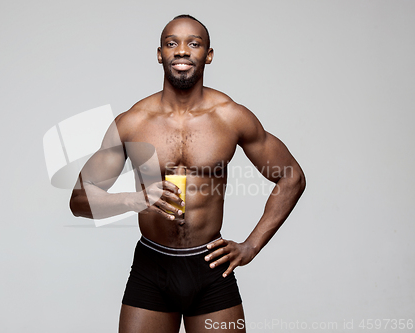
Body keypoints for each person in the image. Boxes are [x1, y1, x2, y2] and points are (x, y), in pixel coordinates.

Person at [70, 14, 306, 333]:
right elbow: (79, 200)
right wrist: (133, 199)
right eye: (172, 43)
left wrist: (251, 245)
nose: (182, 50)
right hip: (152, 267)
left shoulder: (231, 117)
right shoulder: (133, 122)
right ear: (160, 54)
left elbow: (291, 176)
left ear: (207, 55)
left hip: (210, 267)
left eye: (193, 43)